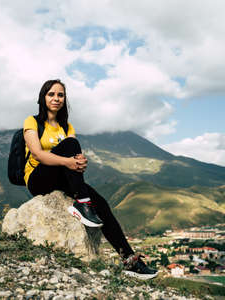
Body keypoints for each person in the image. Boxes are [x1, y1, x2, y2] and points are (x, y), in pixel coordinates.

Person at [23, 79, 157, 280]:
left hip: (61, 177)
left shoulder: (66, 126)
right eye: (51, 94)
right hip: (37, 178)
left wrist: (79, 163)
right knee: (70, 145)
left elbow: (73, 160)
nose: (56, 98)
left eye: (60, 95)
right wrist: (69, 162)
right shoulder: (32, 122)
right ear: (43, 97)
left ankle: (130, 261)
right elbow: (38, 154)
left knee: (101, 204)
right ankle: (83, 204)